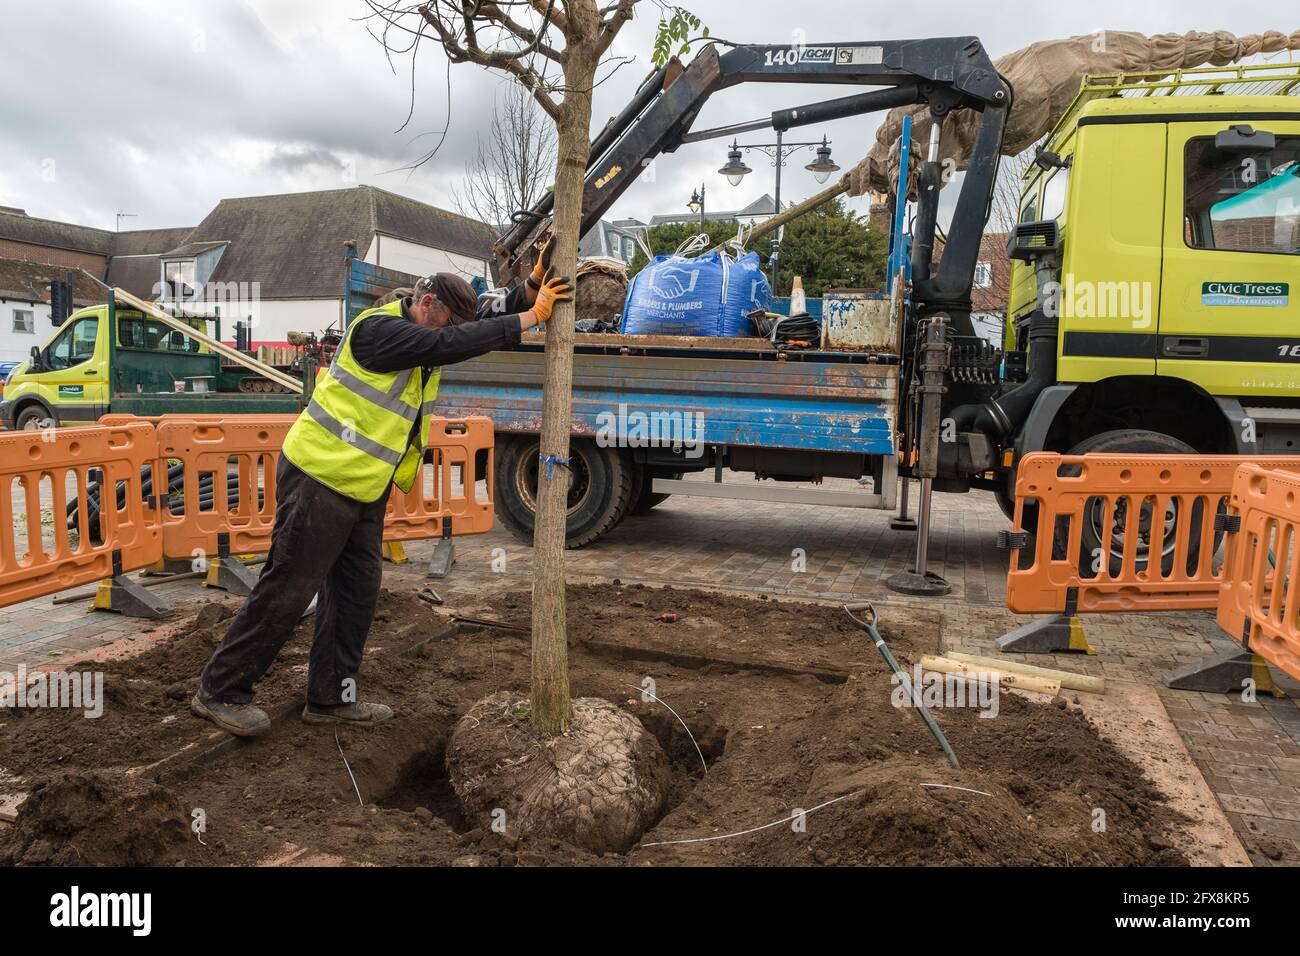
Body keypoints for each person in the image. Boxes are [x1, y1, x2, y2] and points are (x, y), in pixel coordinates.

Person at [192, 254, 570, 737]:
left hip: (363, 486)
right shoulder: (378, 332)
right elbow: (454, 339)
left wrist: (531, 285)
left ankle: (331, 698)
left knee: (355, 594)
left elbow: (472, 326)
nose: (449, 332)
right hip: (319, 476)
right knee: (289, 587)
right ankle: (220, 690)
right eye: (446, 321)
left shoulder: (424, 327)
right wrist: (531, 319)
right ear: (426, 303)